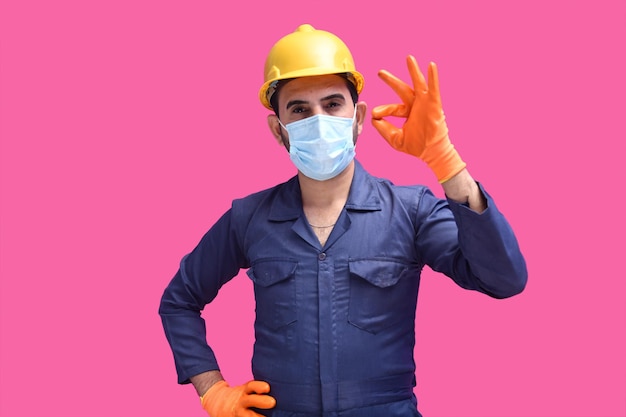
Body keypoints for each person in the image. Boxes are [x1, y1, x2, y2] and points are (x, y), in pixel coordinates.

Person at [159, 24, 527, 417]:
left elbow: (504, 280)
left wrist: (447, 162)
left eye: (333, 104)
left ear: (358, 117)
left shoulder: (411, 210)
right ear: (277, 129)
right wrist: (211, 388)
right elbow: (178, 301)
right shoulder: (249, 218)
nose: (318, 120)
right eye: (299, 110)